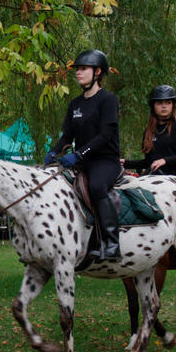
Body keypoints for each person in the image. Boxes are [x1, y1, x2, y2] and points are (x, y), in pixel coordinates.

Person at [43, 49, 122, 261]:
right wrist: (54, 151)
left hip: (105, 161)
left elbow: (105, 136)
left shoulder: (107, 100)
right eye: (77, 69)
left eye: (83, 68)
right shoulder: (75, 104)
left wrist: (79, 154)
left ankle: (112, 243)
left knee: (96, 187)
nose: (78, 72)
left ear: (98, 72)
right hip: (82, 162)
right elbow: (67, 136)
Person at [121, 85, 176, 176]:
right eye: (159, 103)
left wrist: (164, 160)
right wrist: (126, 163)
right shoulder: (149, 131)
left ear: (173, 105)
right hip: (153, 175)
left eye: (168, 103)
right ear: (153, 106)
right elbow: (149, 162)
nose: (164, 106)